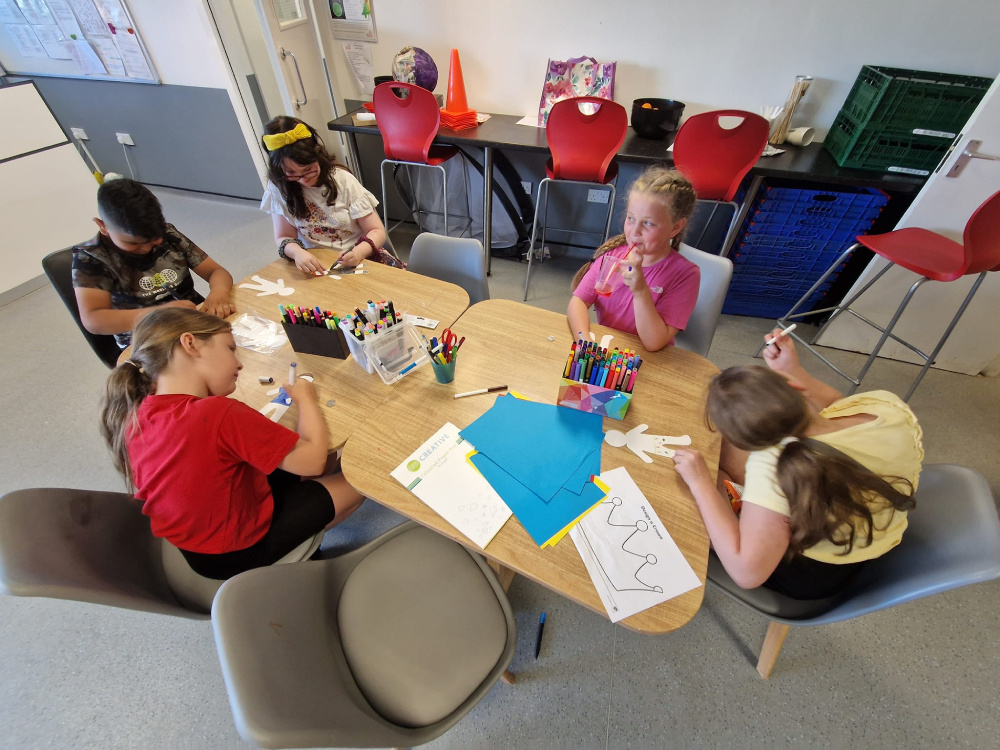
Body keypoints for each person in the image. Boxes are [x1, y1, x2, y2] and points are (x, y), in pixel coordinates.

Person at [99, 307, 365, 580]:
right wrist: (305, 399)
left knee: (308, 460)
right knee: (362, 479)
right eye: (230, 348)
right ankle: (296, 552)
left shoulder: (137, 411)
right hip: (236, 553)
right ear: (190, 344)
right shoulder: (216, 413)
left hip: (198, 548)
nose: (238, 364)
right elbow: (313, 462)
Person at [672, 329, 923, 600]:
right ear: (797, 387)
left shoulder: (771, 468)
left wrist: (702, 484)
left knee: (694, 491)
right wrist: (793, 369)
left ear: (749, 445)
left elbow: (747, 573)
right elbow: (838, 405)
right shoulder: (887, 408)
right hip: (874, 529)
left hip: (815, 571)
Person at [73, 178, 236, 348]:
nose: (145, 248)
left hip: (195, 321)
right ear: (103, 226)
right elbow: (93, 320)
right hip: (147, 340)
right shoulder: (92, 258)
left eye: (154, 240)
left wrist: (219, 293)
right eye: (134, 243)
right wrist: (158, 313)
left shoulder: (168, 234)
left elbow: (216, 272)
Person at [567, 166, 700, 351]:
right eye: (630, 218)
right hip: (611, 348)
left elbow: (653, 343)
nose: (635, 231)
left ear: (675, 227)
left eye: (648, 223)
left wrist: (640, 290)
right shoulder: (613, 255)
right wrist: (584, 339)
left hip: (649, 358)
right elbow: (578, 301)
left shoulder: (686, 275)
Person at [260, 115, 403, 275]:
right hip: (319, 264)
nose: (303, 179)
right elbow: (284, 236)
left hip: (360, 257)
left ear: (317, 154)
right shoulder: (279, 187)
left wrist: (358, 253)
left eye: (308, 169)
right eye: (291, 173)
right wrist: (297, 252)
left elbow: (377, 231)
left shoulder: (342, 180)